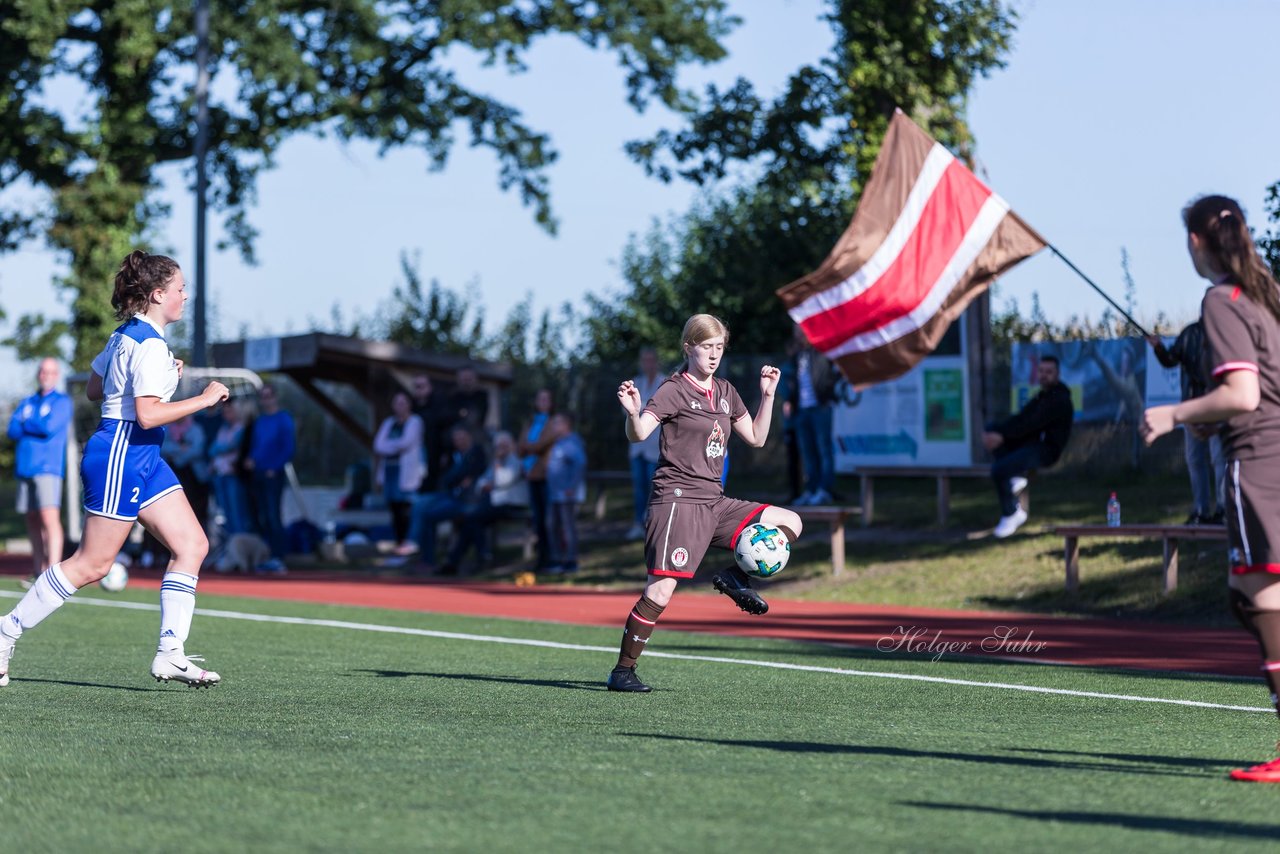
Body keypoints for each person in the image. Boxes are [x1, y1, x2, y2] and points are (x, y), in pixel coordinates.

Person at [0, 250, 229, 689]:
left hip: (141, 455)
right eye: (180, 288)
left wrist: (164, 375)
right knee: (91, 565)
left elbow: (94, 387)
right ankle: (6, 631)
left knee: (192, 545)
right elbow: (145, 415)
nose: (185, 296)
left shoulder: (127, 335)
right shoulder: (146, 343)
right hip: (123, 452)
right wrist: (202, 398)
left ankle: (170, 654)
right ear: (158, 294)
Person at [1141, 194, 1280, 784]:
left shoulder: (1220, 301)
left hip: (1259, 463)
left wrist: (1173, 414)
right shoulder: (1266, 297)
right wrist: (1206, 412)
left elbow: (1243, 396)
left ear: (1196, 242)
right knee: (1248, 593)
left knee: (1260, 597)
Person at [606, 314, 804, 693]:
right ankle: (623, 671)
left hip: (714, 501)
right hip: (677, 501)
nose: (713, 355)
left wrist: (767, 395)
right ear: (688, 348)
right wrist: (632, 413)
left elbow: (758, 438)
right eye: (706, 347)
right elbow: (640, 434)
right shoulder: (672, 389)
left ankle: (734, 576)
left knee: (790, 521)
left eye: (719, 347)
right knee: (660, 591)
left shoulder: (726, 391)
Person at [982, 354, 1074, 538]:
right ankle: (1015, 475)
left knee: (998, 470)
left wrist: (1003, 437)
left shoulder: (1059, 399)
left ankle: (1011, 514)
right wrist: (997, 433)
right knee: (991, 427)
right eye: (1041, 371)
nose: (1044, 375)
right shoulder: (1042, 395)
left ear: (1057, 374)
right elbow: (1021, 418)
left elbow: (1031, 424)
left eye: (1049, 372)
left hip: (1046, 451)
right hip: (1031, 444)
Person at [1149, 322, 1226, 524]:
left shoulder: (1225, 330)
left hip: (1218, 404)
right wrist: (1158, 348)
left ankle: (1223, 508)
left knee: (1219, 458)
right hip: (1192, 405)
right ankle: (1201, 509)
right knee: (1195, 459)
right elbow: (1170, 359)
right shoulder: (1189, 333)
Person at [7, 357, 72, 582]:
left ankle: (52, 572)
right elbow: (12, 430)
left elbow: (48, 427)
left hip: (48, 467)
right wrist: (29, 422)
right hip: (25, 467)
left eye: (50, 372)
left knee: (49, 517)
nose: (45, 375)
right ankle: (38, 569)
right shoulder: (28, 401)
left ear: (56, 375)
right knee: (32, 519)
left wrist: (27, 422)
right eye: (43, 371)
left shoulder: (62, 402)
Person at [396, 425, 488, 573]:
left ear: (469, 437)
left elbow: (466, 472)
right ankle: (414, 544)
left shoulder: (476, 452)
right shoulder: (452, 455)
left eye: (462, 438)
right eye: (456, 439)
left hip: (466, 500)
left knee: (427, 515)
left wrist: (458, 476)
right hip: (450, 494)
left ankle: (425, 556)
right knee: (420, 503)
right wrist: (459, 477)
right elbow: (446, 479)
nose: (459, 441)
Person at [444, 430, 528, 573]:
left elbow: (503, 480)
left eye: (504, 446)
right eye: (499, 446)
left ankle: (469, 558)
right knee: (471, 521)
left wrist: (494, 474)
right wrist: (486, 484)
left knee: (472, 519)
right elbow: (482, 481)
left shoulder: (515, 461)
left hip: (511, 504)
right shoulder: (497, 462)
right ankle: (474, 557)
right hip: (495, 503)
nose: (501, 449)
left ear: (511, 446)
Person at [142, 414, 210, 566]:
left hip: (194, 481)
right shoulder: (167, 428)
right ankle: (157, 553)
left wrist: (178, 458)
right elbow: (162, 447)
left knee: (196, 516)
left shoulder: (195, 429)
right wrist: (181, 449)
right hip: (172, 477)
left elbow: (198, 450)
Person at [785, 326, 839, 505]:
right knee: (807, 452)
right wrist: (790, 402)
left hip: (820, 408)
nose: (798, 335)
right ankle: (811, 489)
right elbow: (793, 382)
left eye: (800, 331)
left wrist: (827, 394)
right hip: (802, 410)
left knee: (824, 449)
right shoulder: (798, 355)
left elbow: (832, 375)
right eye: (796, 332)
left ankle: (825, 490)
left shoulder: (822, 351)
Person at [245, 382, 295, 574]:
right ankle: (265, 555)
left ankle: (279, 557)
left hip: (273, 475)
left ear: (275, 397)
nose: (266, 400)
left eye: (268, 396)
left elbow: (288, 448)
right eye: (263, 397)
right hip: (257, 473)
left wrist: (274, 467)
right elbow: (257, 446)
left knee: (274, 515)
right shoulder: (260, 421)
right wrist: (251, 460)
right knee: (262, 516)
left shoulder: (283, 419)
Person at [373, 391, 425, 549]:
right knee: (394, 510)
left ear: (409, 404)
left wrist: (390, 445)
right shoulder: (389, 423)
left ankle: (410, 543)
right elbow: (378, 445)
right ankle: (399, 542)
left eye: (403, 402)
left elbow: (407, 443)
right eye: (397, 403)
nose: (400, 406)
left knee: (407, 510)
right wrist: (395, 446)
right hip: (390, 471)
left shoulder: (415, 421)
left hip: (407, 473)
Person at [517, 388, 557, 571]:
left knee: (549, 519)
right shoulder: (530, 422)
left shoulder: (553, 423)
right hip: (531, 475)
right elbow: (520, 447)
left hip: (546, 476)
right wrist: (529, 448)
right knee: (538, 519)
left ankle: (552, 558)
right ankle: (542, 559)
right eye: (539, 399)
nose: (542, 402)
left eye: (546, 399)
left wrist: (530, 447)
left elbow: (542, 444)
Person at [626, 348, 663, 540]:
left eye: (651, 360)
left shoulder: (664, 383)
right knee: (638, 488)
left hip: (655, 448)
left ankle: (654, 523)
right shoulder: (636, 383)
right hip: (637, 449)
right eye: (644, 360)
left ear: (656, 362)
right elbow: (627, 413)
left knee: (654, 487)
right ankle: (638, 523)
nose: (647, 364)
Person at [545, 412, 587, 575]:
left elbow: (580, 464)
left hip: (566, 494)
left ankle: (571, 561)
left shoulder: (571, 443)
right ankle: (556, 560)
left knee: (567, 527)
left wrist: (571, 487)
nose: (554, 427)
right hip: (554, 494)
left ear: (566, 425)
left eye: (557, 423)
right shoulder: (557, 443)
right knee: (552, 525)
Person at [209, 399, 252, 534]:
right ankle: (232, 547)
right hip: (220, 474)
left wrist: (221, 448)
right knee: (225, 513)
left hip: (233, 475)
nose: (226, 414)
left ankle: (240, 546)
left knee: (237, 512)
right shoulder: (224, 428)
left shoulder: (242, 429)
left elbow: (233, 445)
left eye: (230, 411)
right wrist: (223, 448)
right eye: (225, 411)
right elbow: (212, 450)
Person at [409, 374, 449, 492]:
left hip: (435, 455)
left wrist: (446, 452)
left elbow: (445, 431)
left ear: (430, 387)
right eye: (416, 386)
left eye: (422, 386)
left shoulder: (440, 406)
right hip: (415, 457)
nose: (419, 389)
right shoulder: (411, 408)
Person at [446, 366, 489, 436]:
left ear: (475, 378)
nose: (466, 382)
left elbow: (482, 415)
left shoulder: (482, 395)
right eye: (464, 379)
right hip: (457, 430)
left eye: (469, 379)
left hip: (477, 430)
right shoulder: (453, 396)